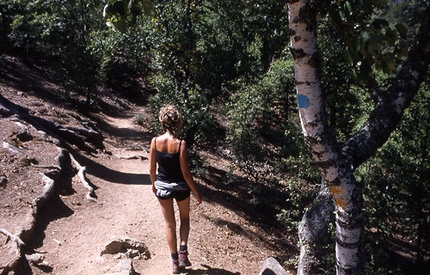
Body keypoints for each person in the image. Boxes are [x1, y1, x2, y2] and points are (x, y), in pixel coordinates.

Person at [149, 104, 203, 274]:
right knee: (185, 219)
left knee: (169, 224)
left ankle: (174, 263)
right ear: (177, 122)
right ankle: (182, 253)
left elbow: (151, 169)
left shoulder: (155, 141)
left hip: (162, 186)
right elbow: (186, 173)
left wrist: (153, 183)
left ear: (162, 122)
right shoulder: (181, 144)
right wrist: (196, 192)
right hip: (180, 187)